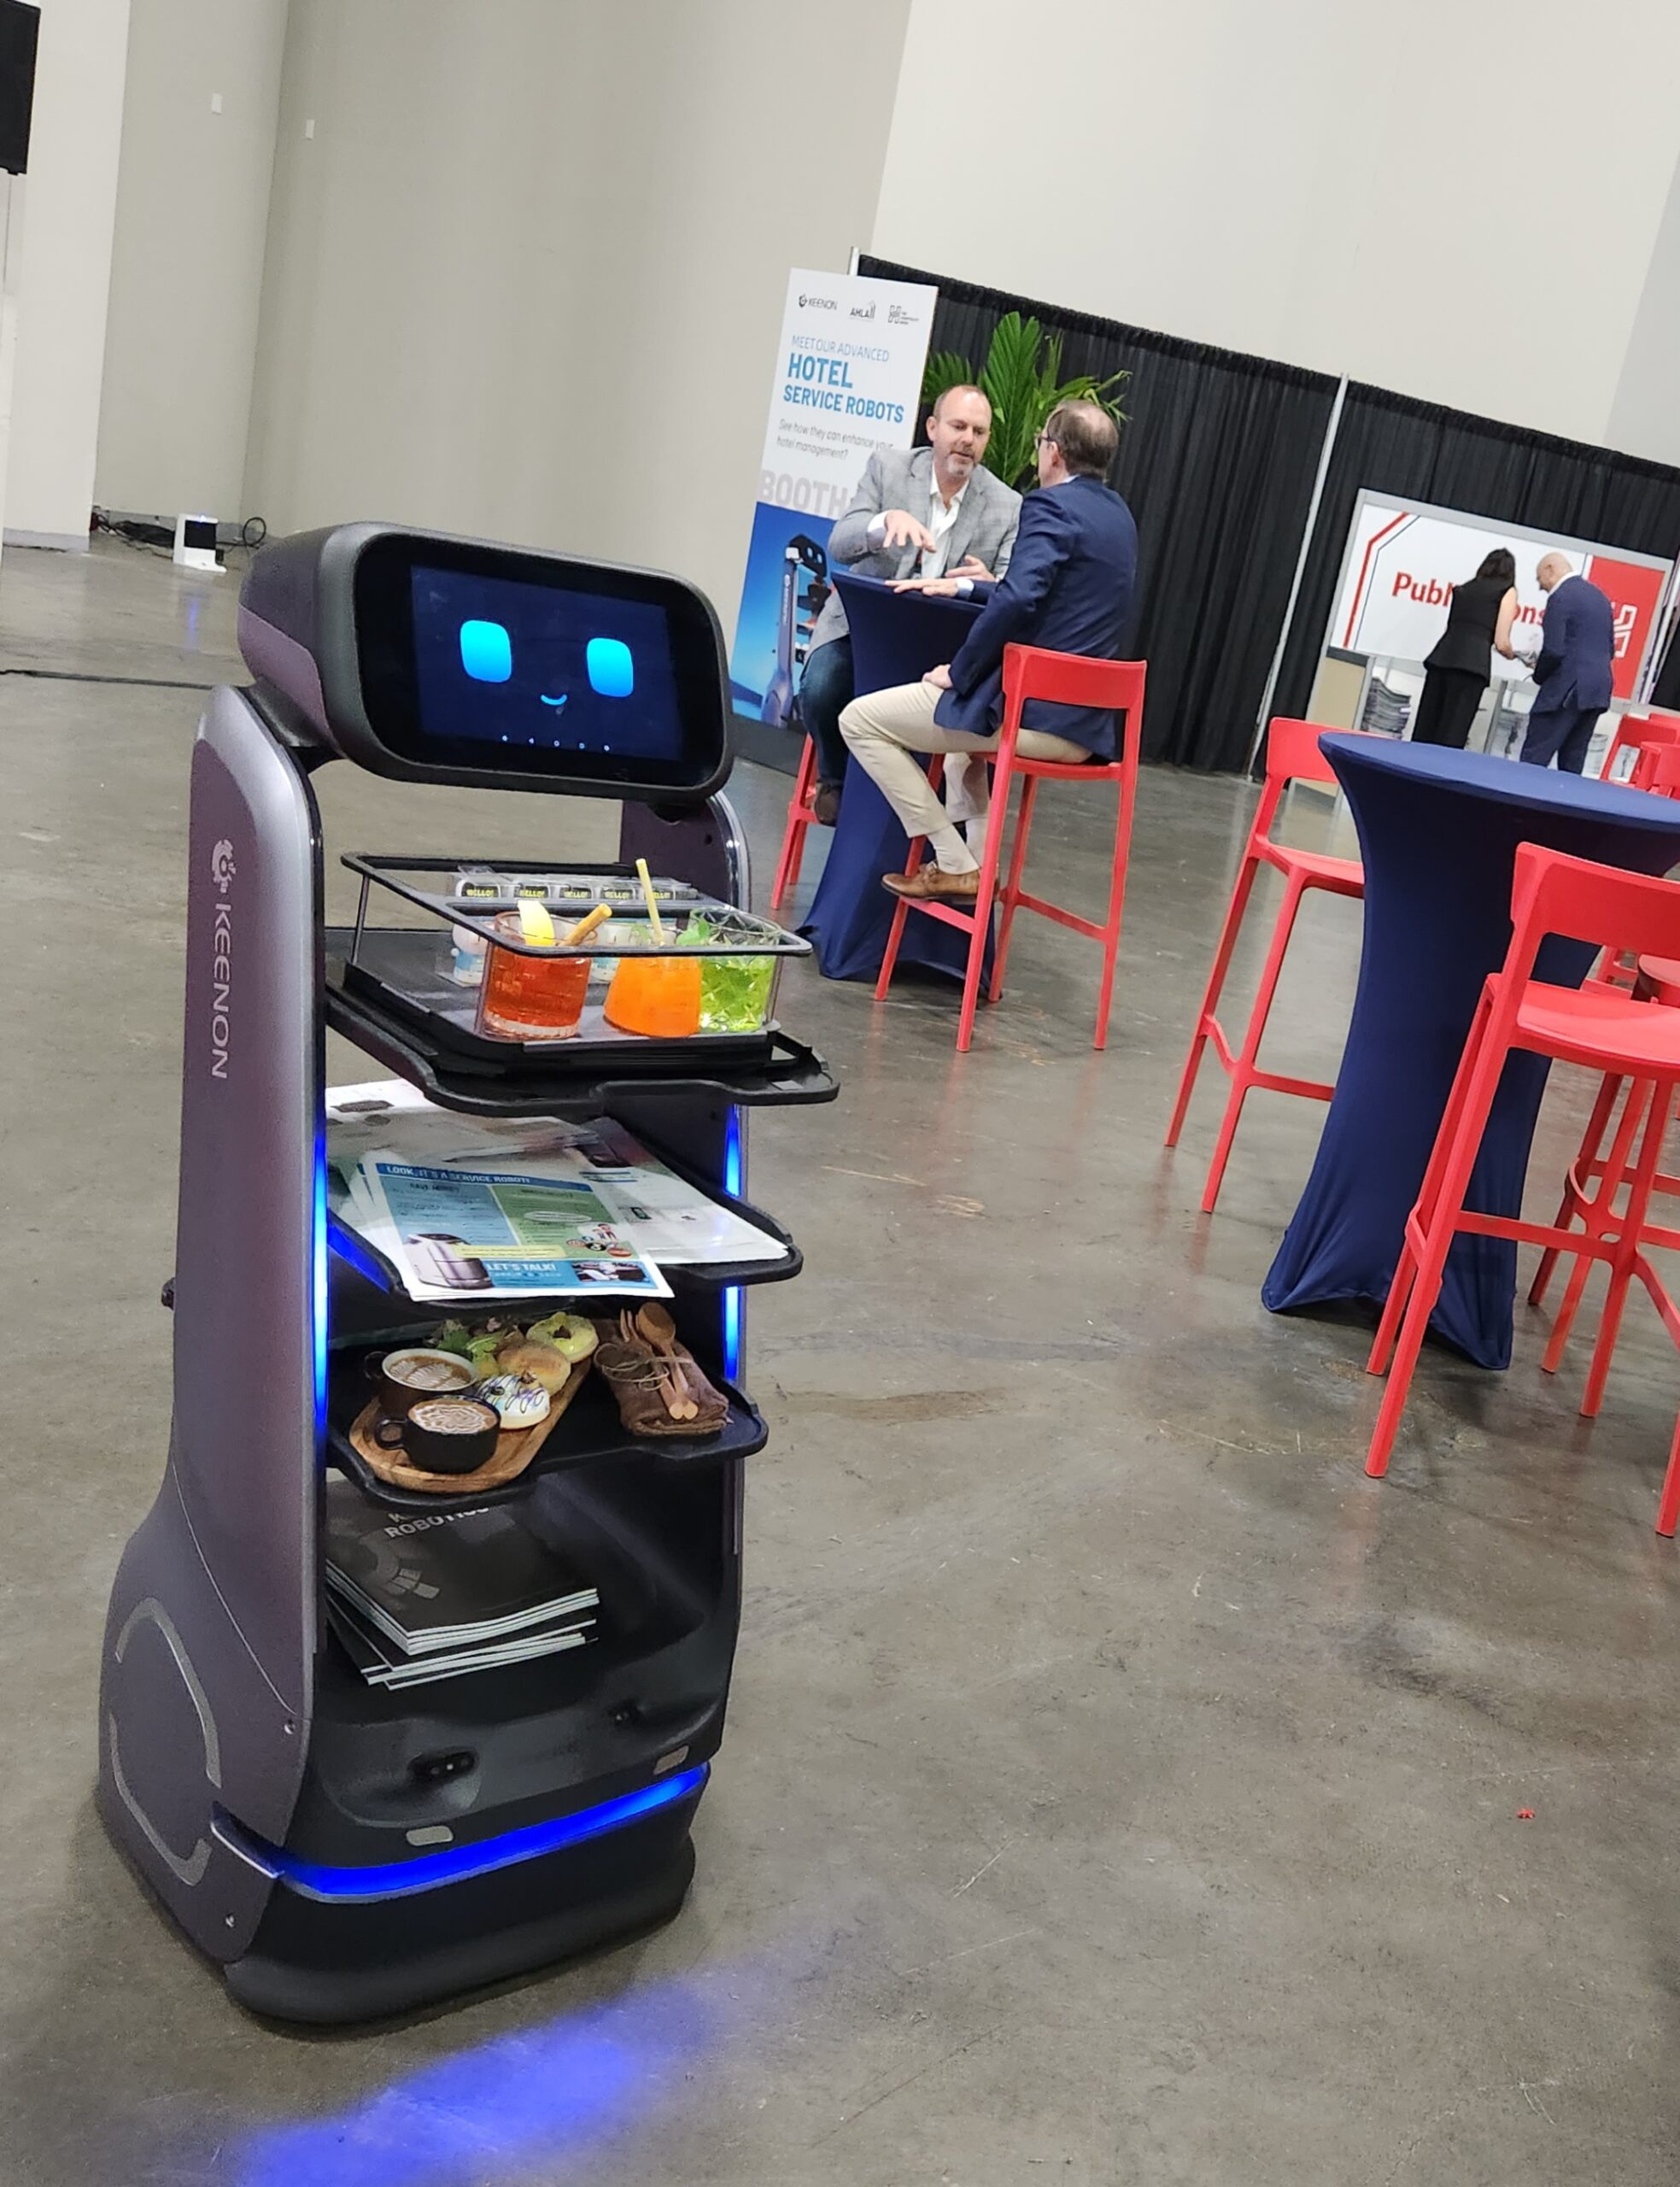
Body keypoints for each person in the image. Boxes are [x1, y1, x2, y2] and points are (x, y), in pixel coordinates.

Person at [838, 398, 1136, 902]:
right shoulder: (1119, 517)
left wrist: (959, 671)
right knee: (960, 755)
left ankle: (953, 861)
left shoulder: (1050, 505)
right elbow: (1043, 596)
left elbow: (1021, 597)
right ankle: (978, 872)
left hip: (1031, 720)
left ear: (1054, 453)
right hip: (1086, 728)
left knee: (859, 720)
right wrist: (968, 589)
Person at [798, 385, 1021, 824]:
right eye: (958, 427)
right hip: (865, 631)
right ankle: (835, 781)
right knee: (822, 686)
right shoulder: (890, 469)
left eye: (978, 432)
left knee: (968, 712)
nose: (967, 440)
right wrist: (882, 524)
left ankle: (935, 824)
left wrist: (989, 583)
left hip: (943, 648)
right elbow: (840, 544)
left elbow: (1013, 589)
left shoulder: (1007, 504)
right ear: (933, 429)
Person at [1519, 553, 1616, 773]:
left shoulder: (1561, 597)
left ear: (1550, 569)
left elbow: (1554, 650)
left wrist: (1538, 674)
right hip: (1597, 690)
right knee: (1573, 764)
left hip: (1566, 691)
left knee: (1534, 760)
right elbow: (1610, 649)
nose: (1540, 586)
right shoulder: (1600, 597)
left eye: (1539, 578)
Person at [1413, 548, 1520, 748]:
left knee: (1426, 728)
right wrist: (1513, 654)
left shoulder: (1463, 589)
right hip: (1472, 667)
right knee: (1452, 734)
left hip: (1441, 658)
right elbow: (1501, 641)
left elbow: (1452, 626)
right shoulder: (1507, 591)